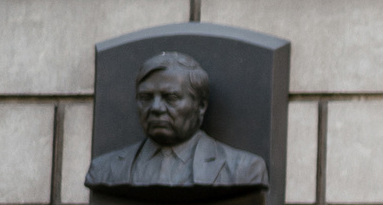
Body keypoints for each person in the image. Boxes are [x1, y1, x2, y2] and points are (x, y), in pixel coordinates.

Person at [84, 52, 270, 194]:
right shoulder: (104, 171)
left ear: (201, 105)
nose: (156, 107)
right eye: (146, 97)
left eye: (170, 97)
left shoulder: (243, 170)